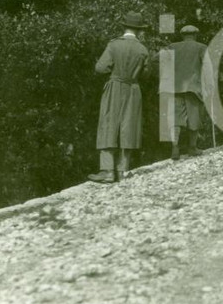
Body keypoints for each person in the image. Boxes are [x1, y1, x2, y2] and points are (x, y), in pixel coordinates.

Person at [88, 12, 150, 183]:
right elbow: (146, 75)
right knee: (128, 126)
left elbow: (100, 68)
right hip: (133, 89)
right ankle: (122, 171)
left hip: (115, 86)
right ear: (139, 31)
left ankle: (107, 171)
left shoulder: (114, 45)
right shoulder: (143, 49)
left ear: (124, 27)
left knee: (109, 124)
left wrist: (115, 72)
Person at [159, 24, 209, 161]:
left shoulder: (172, 46)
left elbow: (157, 59)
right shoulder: (201, 47)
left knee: (176, 119)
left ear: (183, 35)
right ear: (195, 35)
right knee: (194, 117)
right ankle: (192, 147)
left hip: (174, 88)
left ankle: (175, 148)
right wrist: (209, 87)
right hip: (193, 88)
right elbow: (208, 69)